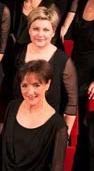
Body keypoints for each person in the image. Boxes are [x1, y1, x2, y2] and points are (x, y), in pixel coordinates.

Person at [0, 60, 68, 171]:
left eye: (36, 85)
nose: (30, 92)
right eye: (25, 85)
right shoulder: (12, 107)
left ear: (47, 84)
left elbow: (57, 169)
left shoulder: (57, 125)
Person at [13, 7, 77, 135]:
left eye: (46, 30)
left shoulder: (63, 60)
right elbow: (8, 92)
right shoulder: (17, 53)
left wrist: (65, 135)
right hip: (19, 120)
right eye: (36, 29)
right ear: (29, 30)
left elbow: (72, 102)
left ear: (53, 32)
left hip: (49, 127)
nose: (40, 34)